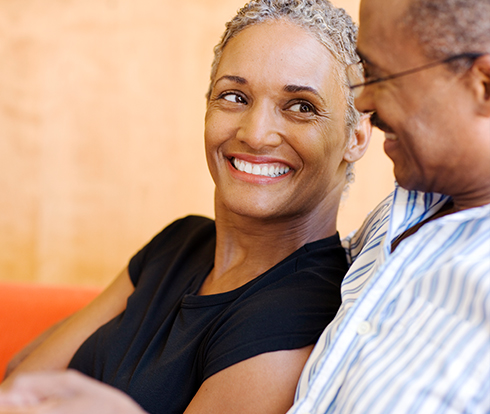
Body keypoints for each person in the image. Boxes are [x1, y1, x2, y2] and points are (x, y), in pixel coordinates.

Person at [3, 0, 488, 412]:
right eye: (233, 96)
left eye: (301, 106)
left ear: (356, 135)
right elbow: (21, 380)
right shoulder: (182, 242)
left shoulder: (300, 311)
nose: (255, 134)